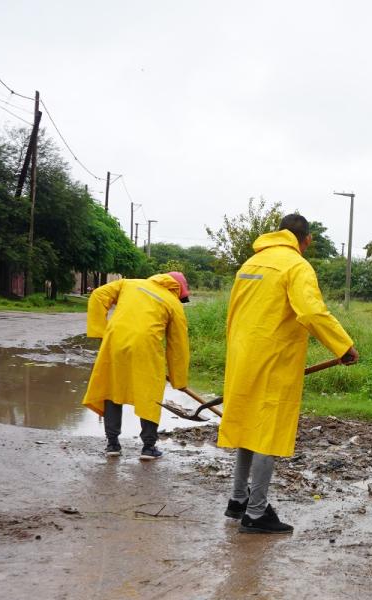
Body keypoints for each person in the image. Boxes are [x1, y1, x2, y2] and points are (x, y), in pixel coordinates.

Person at [218, 214, 357, 534]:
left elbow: (233, 314)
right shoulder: (297, 266)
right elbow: (310, 311)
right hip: (273, 362)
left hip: (242, 357)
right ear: (305, 240)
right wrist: (343, 346)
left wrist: (237, 353)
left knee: (246, 429)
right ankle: (255, 513)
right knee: (267, 431)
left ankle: (238, 500)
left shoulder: (251, 264)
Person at [82, 272, 191, 460]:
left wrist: (101, 332)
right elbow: (178, 345)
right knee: (150, 395)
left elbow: (98, 295)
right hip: (146, 349)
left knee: (111, 391)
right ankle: (148, 448)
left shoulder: (129, 283)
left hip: (115, 343)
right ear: (178, 290)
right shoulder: (173, 304)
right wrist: (178, 379)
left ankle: (112, 445)